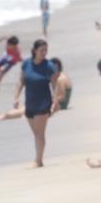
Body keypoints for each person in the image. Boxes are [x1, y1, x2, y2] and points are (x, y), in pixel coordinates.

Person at [15, 40, 63, 168]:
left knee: (39, 133)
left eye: (46, 50)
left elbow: (55, 83)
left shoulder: (49, 66)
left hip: (43, 103)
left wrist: (55, 100)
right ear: (35, 50)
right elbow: (21, 82)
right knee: (36, 133)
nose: (44, 53)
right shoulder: (26, 64)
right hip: (29, 103)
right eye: (42, 50)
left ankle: (38, 160)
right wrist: (16, 97)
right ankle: (38, 159)